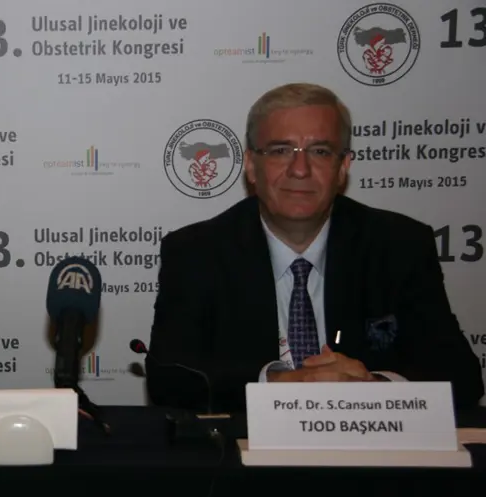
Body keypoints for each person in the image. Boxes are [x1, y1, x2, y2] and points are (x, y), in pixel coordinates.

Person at [146, 83, 484, 413]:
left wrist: (374, 388)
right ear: (251, 166)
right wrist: (277, 385)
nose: (300, 170)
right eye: (281, 150)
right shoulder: (197, 252)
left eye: (320, 151)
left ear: (343, 167)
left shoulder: (399, 245)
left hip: (366, 441)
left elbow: (462, 377)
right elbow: (170, 379)